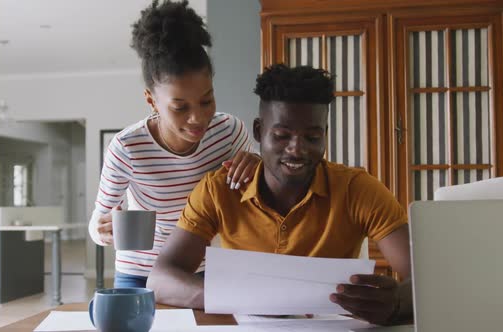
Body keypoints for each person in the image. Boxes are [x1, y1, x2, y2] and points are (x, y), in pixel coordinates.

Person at [147, 64, 413, 326]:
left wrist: (396, 304)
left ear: (325, 136)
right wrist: (241, 297)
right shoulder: (218, 190)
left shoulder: (359, 189)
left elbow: (426, 279)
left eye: (312, 137)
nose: (296, 149)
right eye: (282, 135)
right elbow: (160, 279)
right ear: (259, 131)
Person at [88, 0, 260, 288]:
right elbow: (98, 221)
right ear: (151, 100)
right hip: (139, 272)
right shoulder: (127, 148)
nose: (198, 118)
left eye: (206, 100)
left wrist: (259, 167)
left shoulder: (229, 132)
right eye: (180, 107)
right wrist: (102, 231)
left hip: (203, 267)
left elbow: (253, 196)